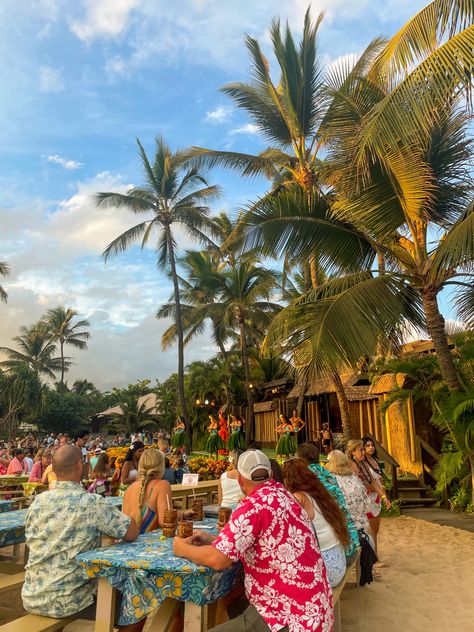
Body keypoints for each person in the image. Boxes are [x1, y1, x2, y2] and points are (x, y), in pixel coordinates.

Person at [173, 450, 333, 632]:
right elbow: (259, 540)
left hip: (287, 617)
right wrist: (213, 540)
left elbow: (218, 560)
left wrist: (181, 548)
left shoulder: (253, 507)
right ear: (271, 475)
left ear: (240, 480)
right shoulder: (285, 496)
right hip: (316, 610)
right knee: (233, 602)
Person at [22, 446, 139, 630]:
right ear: (79, 466)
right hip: (72, 600)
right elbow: (132, 532)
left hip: (32, 595)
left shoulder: (37, 503)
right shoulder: (91, 502)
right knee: (139, 602)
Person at [283, 458, 349, 587]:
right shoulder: (317, 493)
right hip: (338, 561)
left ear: (288, 479)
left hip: (328, 572)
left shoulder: (299, 497)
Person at [297, 442, 359, 559]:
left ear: (300, 459)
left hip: (332, 540)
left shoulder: (306, 477)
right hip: (347, 533)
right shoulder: (326, 473)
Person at [349, 438, 391, 555]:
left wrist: (383, 496)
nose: (364, 452)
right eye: (361, 449)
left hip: (372, 499)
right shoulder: (349, 465)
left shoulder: (365, 464)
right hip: (359, 503)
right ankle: (370, 562)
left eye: (364, 449)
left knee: (374, 530)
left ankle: (374, 558)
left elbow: (373, 482)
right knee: (364, 531)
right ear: (353, 452)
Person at [122, 448, 173, 533]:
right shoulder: (162, 485)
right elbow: (165, 522)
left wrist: (181, 514)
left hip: (129, 543)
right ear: (162, 467)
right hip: (152, 544)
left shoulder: (129, 489)